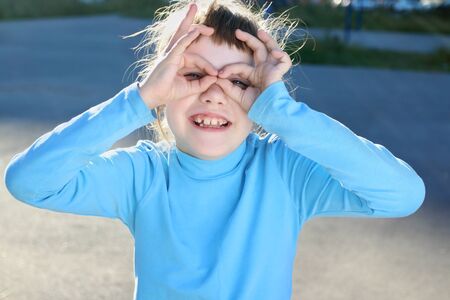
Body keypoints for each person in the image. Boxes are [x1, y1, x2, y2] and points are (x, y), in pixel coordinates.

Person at [3, 0, 426, 299]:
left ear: (264, 98)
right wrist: (137, 100)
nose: (214, 93)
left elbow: (402, 194)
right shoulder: (144, 175)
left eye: (240, 82)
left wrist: (285, 113)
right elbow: (29, 182)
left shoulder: (285, 172)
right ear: (161, 88)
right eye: (192, 75)